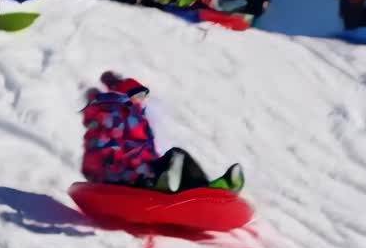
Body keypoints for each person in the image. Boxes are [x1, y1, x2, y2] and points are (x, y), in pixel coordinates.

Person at [80, 72, 244, 193]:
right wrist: (134, 175)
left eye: (143, 95)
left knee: (177, 156)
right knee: (171, 162)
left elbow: (143, 151)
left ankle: (212, 189)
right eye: (138, 95)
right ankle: (166, 184)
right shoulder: (111, 118)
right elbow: (105, 157)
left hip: (144, 170)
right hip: (128, 177)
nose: (142, 100)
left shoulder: (136, 119)